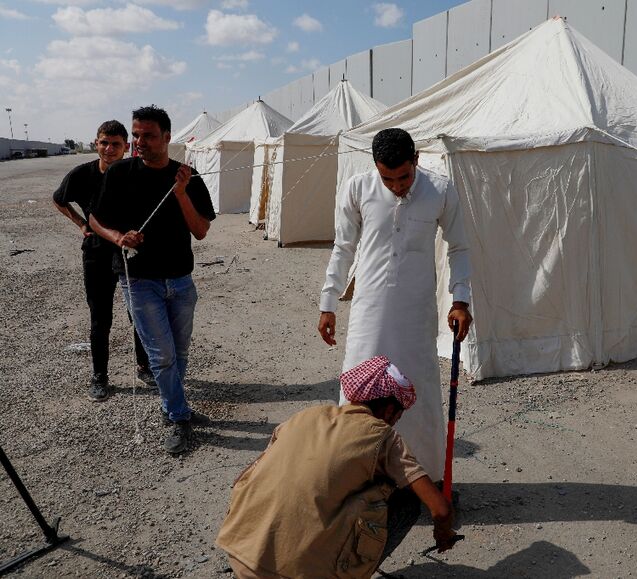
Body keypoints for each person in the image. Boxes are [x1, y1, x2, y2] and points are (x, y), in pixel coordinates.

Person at [318, 128, 472, 480]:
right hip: (368, 309)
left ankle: (426, 478)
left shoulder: (440, 190)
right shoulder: (358, 188)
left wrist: (460, 299)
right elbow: (343, 248)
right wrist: (328, 304)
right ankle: (355, 478)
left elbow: (460, 247)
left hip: (417, 311)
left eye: (403, 177)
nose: (397, 186)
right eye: (387, 179)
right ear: (376, 168)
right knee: (359, 392)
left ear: (416, 160)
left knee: (418, 393)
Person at [216, 356, 457, 579]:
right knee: (407, 502)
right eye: (398, 416)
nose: (395, 422)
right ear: (390, 410)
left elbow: (249, 474)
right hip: (298, 575)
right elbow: (440, 509)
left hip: (240, 555)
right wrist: (443, 535)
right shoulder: (384, 438)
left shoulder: (306, 416)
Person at [89, 106, 215, 454]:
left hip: (180, 280)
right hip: (140, 281)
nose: (139, 142)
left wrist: (181, 195)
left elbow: (201, 231)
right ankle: (177, 416)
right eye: (136, 135)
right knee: (160, 355)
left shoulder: (187, 177)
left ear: (166, 138)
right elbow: (95, 219)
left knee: (180, 350)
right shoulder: (119, 174)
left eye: (147, 135)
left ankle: (175, 406)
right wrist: (118, 238)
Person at [52, 120, 154, 401]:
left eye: (116, 144)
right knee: (100, 318)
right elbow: (59, 199)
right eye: (104, 143)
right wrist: (81, 224)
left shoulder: (136, 174)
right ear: (96, 144)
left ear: (126, 147)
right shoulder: (82, 174)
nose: (109, 149)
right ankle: (100, 376)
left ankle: (144, 366)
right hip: (96, 254)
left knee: (140, 314)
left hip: (128, 254)